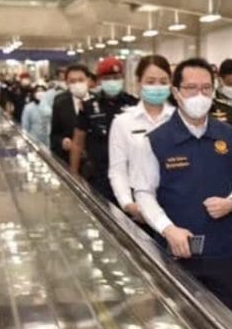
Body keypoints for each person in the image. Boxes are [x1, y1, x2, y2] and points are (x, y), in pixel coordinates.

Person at [131, 58, 232, 320]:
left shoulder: (229, 136)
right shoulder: (156, 141)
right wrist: (167, 228)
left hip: (225, 254)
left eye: (206, 88)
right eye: (191, 88)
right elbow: (144, 193)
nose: (200, 95)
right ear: (176, 92)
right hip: (176, 255)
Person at [108, 54, 174, 222]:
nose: (157, 87)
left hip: (175, 207)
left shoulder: (179, 119)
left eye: (163, 82)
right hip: (139, 210)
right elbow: (118, 170)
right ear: (138, 83)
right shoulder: (123, 122)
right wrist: (128, 204)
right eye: (150, 82)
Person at [70, 58, 139, 201]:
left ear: (122, 78)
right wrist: (73, 175)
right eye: (108, 78)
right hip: (99, 175)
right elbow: (77, 143)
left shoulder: (134, 104)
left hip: (129, 174)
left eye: (116, 77)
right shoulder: (89, 106)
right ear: (100, 80)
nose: (112, 81)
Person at [50, 65, 91, 164]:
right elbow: (54, 135)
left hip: (94, 161)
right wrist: (62, 141)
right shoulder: (60, 102)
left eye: (81, 80)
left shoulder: (98, 100)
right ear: (67, 83)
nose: (77, 84)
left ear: (88, 80)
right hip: (69, 160)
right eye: (72, 81)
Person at [21, 83, 52, 148]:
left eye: (42, 91)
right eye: (38, 91)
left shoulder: (50, 106)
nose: (40, 93)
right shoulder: (28, 107)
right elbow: (25, 125)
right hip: (34, 139)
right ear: (34, 93)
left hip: (48, 140)